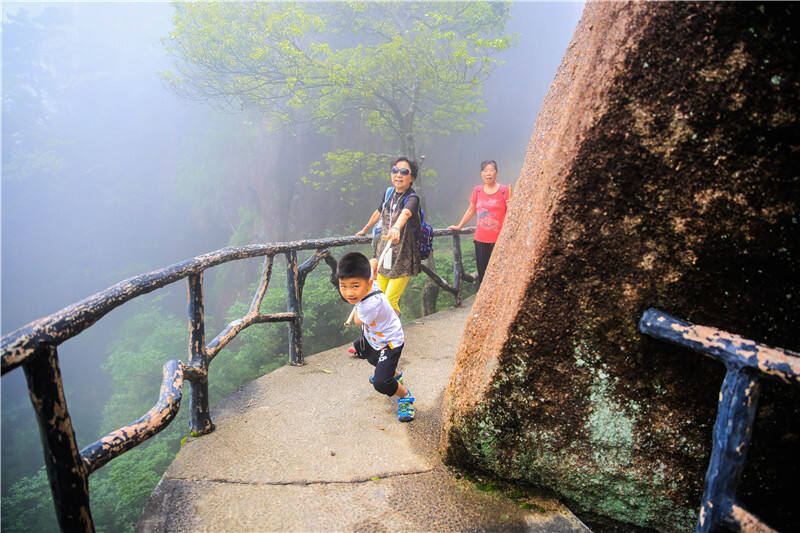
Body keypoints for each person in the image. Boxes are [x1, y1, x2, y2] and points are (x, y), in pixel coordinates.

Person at [337, 252, 415, 422]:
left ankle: (404, 396)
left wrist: (357, 304)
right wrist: (370, 267)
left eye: (355, 286)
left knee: (381, 383)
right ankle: (394, 373)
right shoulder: (369, 279)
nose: (349, 292)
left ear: (369, 283)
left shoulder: (369, 305)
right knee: (367, 354)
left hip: (390, 342)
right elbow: (373, 262)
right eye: (343, 286)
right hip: (375, 337)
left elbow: (357, 320)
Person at [355, 157, 422, 316]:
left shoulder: (413, 198)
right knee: (377, 298)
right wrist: (364, 230)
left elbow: (406, 213)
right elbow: (379, 212)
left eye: (404, 172)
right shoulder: (389, 193)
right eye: (395, 170)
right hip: (384, 252)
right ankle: (381, 335)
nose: (398, 175)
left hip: (403, 256)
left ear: (411, 177)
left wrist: (397, 228)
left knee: (390, 301)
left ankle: (392, 336)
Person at [448, 160, 512, 285]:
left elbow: (513, 214)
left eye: (491, 170)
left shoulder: (505, 190)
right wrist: (459, 226)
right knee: (482, 273)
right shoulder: (477, 190)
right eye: (485, 170)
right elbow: (471, 210)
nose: (488, 173)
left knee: (499, 272)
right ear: (481, 174)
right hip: (481, 239)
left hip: (500, 239)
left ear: (496, 173)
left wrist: (512, 206)